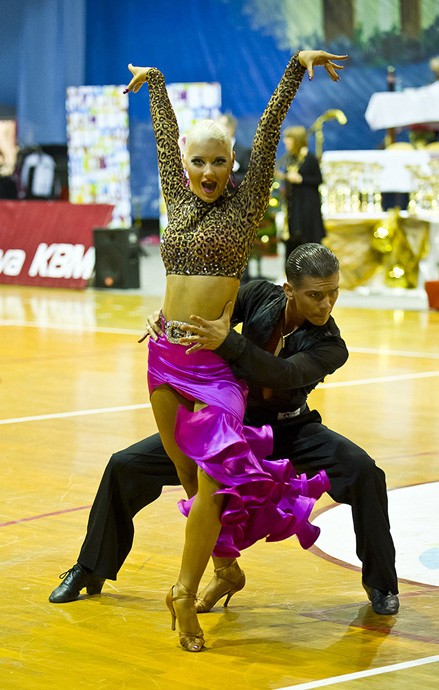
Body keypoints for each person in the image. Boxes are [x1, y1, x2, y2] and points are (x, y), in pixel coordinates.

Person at [117, 50, 347, 653]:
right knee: (192, 483)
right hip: (164, 356)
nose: (208, 169)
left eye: (219, 160)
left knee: (217, 483)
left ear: (233, 164)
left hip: (214, 367)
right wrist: (156, 83)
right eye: (199, 161)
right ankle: (225, 569)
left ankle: (183, 592)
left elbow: (270, 127)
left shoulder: (246, 207)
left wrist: (296, 68)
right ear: (187, 167)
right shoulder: (177, 194)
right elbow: (166, 134)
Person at [50, 244, 399, 621]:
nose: (326, 304)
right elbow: (202, 316)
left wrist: (228, 342)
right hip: (230, 429)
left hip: (290, 432)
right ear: (288, 289)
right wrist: (167, 323)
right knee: (125, 466)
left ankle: (381, 584)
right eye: (315, 295)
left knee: (364, 472)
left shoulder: (331, 345)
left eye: (333, 293)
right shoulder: (258, 295)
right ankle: (90, 568)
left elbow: (280, 375)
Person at [276, 126, 326, 267]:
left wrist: (301, 179)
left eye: (288, 138)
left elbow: (319, 179)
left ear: (296, 140)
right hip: (293, 208)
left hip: (307, 209)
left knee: (308, 244)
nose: (285, 141)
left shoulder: (309, 158)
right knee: (292, 242)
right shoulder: (291, 158)